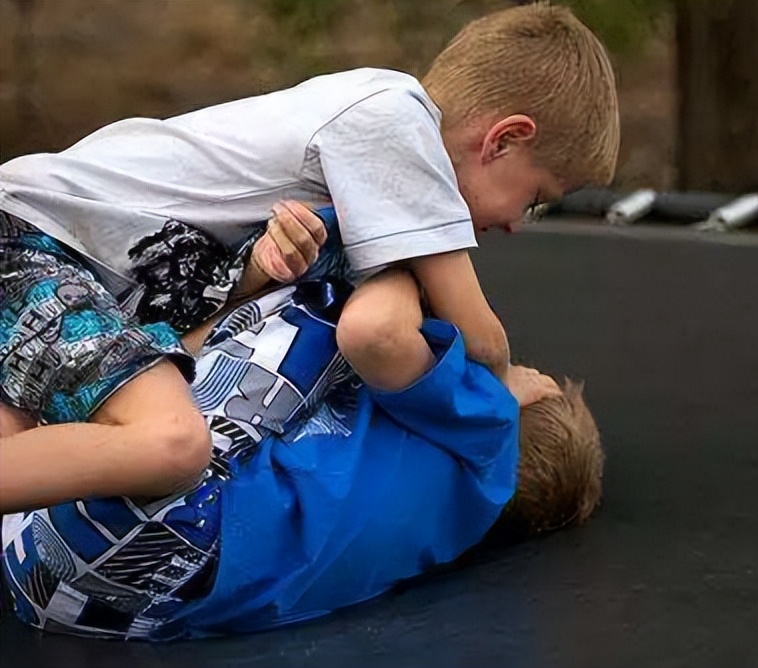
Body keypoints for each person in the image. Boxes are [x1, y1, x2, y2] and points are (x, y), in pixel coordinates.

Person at [0, 3, 620, 513]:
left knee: (34, 450)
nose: (514, 225)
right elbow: (476, 332)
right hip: (33, 238)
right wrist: (503, 383)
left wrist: (259, 271)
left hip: (71, 271)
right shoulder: (393, 119)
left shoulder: (355, 188)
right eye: (535, 198)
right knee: (169, 442)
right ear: (505, 139)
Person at [1, 269, 605, 641]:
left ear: (537, 396)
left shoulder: (490, 433)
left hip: (176, 516)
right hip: (74, 590)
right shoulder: (454, 522)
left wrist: (402, 251)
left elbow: (373, 331)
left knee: (326, 302)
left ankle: (110, 370)